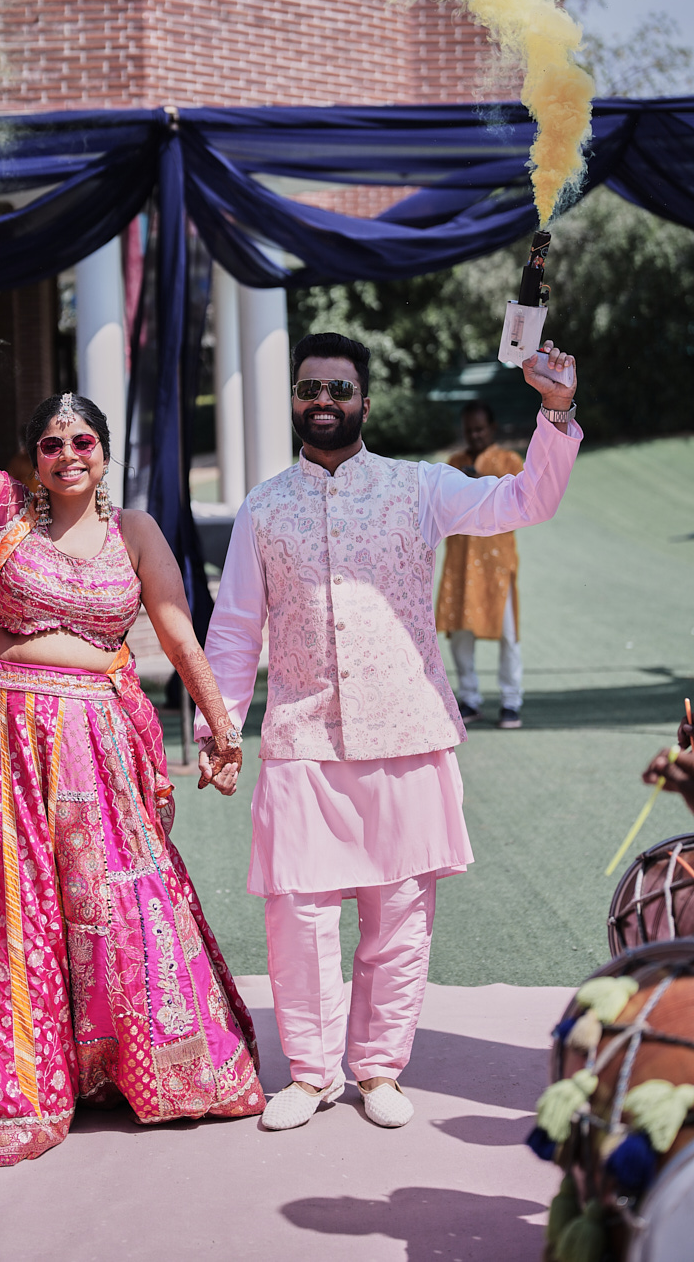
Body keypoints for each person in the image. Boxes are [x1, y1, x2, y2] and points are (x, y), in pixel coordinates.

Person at [0, 302, 264, 1167]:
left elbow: (177, 631)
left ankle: (141, 1066)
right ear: (32, 458)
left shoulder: (135, 532)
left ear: (104, 453)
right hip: (4, 741)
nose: (68, 454)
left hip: (98, 746)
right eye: (51, 444)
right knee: (4, 907)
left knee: (116, 904)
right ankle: (8, 1078)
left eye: (83, 441)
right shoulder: (5, 514)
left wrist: (221, 726)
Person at [197, 330, 580, 1133]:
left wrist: (555, 411)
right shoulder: (264, 507)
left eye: (339, 389)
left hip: (406, 729)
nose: (324, 401)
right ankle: (311, 1073)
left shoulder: (418, 487)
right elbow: (234, 629)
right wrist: (222, 726)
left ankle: (378, 1067)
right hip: (303, 735)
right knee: (298, 916)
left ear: (365, 402)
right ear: (295, 401)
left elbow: (526, 501)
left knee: (399, 916)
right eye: (311, 389)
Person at [435, 401, 526, 728]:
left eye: (480, 429)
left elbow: (520, 500)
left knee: (508, 634)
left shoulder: (509, 461)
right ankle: (469, 698)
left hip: (497, 564)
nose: (474, 435)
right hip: (460, 562)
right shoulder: (453, 464)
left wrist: (481, 481)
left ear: (492, 428)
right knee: (460, 634)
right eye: (469, 430)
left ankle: (511, 701)